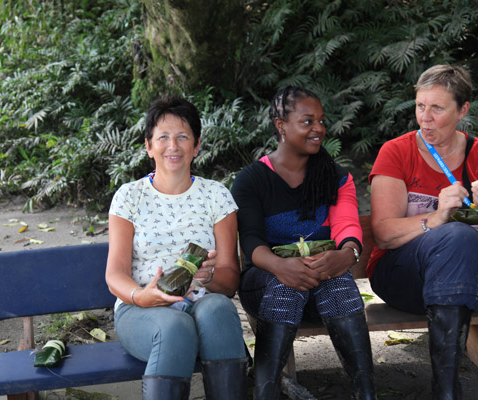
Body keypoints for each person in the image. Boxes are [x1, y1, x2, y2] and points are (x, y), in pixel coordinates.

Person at [231, 86, 376, 400]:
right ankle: (266, 392)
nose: (319, 129)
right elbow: (252, 240)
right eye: (308, 121)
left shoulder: (335, 176)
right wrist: (280, 266)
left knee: (339, 284)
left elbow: (348, 226)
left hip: (322, 284)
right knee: (287, 285)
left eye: (321, 121)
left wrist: (347, 254)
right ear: (281, 125)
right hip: (266, 284)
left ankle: (367, 393)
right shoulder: (251, 180)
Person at [105, 96, 248, 400]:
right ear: (149, 145)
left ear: (196, 146)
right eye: (163, 137)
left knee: (219, 308)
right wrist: (142, 297)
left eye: (183, 137)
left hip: (203, 301)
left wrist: (208, 278)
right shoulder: (129, 197)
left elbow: (230, 280)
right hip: (139, 310)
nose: (173, 145)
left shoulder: (216, 196)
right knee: (174, 325)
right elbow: (115, 275)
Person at [368, 64, 478, 399]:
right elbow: (384, 234)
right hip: (402, 274)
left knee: (462, 242)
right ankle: (446, 390)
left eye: (437, 108)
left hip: (465, 275)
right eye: (420, 106)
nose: (425, 118)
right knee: (457, 236)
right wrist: (438, 216)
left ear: (462, 110)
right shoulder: (397, 151)